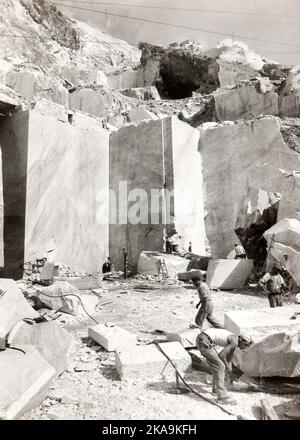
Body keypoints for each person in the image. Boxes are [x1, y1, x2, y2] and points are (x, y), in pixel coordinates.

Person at [196, 328, 253, 403]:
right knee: (220, 366)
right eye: (245, 345)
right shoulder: (234, 342)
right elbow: (222, 356)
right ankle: (222, 397)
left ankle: (216, 389)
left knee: (216, 366)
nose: (244, 347)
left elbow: (228, 359)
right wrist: (228, 370)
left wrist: (231, 374)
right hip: (204, 340)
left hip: (203, 339)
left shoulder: (233, 340)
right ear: (241, 340)